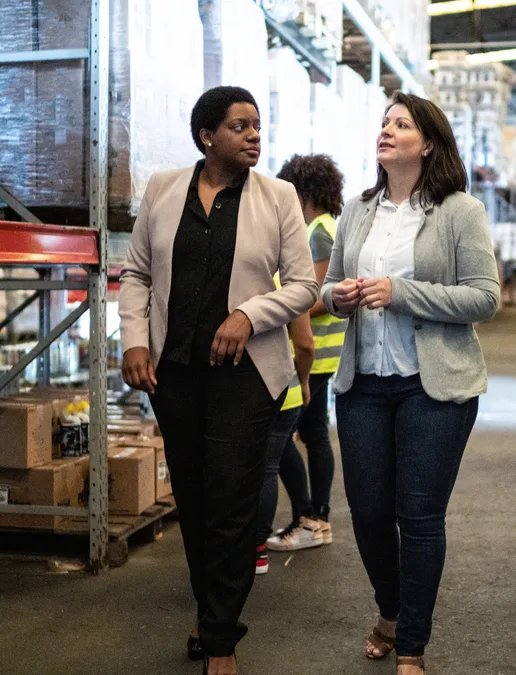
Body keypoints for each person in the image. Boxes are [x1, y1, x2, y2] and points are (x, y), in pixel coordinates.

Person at [117, 85, 318, 675]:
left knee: (230, 503)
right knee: (197, 500)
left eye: (258, 125)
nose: (255, 135)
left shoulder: (278, 197)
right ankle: (210, 612)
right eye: (240, 126)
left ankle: (221, 641)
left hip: (246, 376)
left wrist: (248, 315)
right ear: (207, 136)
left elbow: (304, 286)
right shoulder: (162, 189)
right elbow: (136, 273)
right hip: (175, 371)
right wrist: (133, 339)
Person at [322, 92, 500, 675]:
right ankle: (391, 613)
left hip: (434, 386)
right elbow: (327, 289)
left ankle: (413, 646)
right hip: (364, 384)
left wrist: (404, 294)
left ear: (427, 143)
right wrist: (339, 298)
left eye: (401, 124)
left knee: (418, 515)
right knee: (369, 512)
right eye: (383, 123)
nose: (387, 130)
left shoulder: (459, 211)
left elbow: (484, 297)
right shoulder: (357, 210)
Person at [264, 153, 346, 551]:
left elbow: (310, 296)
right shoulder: (324, 227)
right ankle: (313, 518)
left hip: (313, 352)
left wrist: (277, 308)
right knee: (310, 433)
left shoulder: (318, 231)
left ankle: (311, 518)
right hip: (315, 350)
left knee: (291, 437)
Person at [255, 289, 314, 574]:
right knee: (281, 453)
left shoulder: (244, 270)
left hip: (255, 394)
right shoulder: (290, 281)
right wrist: (303, 381)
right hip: (287, 392)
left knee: (265, 467)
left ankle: (256, 551)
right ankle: (306, 514)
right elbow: (305, 345)